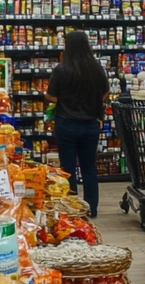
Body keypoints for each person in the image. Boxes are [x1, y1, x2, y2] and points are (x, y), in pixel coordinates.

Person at [45, 31, 110, 217]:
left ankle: (73, 209)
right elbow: (105, 92)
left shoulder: (62, 69)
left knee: (68, 169)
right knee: (89, 168)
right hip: (90, 124)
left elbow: (51, 96)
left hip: (66, 124)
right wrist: (92, 102)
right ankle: (92, 208)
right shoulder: (96, 68)